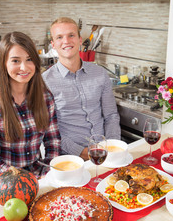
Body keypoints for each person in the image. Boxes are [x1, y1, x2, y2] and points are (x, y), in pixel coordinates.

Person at [0, 31, 61, 200]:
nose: (24, 67)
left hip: (39, 175)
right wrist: (29, 181)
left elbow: (53, 142)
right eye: (16, 61)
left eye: (29, 59)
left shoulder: (45, 98)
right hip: (1, 183)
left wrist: (49, 173)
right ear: (3, 63)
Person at [42, 17, 120, 161]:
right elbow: (49, 131)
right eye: (59, 37)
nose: (66, 41)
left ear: (79, 39)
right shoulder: (44, 82)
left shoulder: (100, 73)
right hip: (69, 159)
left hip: (105, 154)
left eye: (71, 35)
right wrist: (83, 153)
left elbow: (111, 116)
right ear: (53, 44)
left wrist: (112, 146)